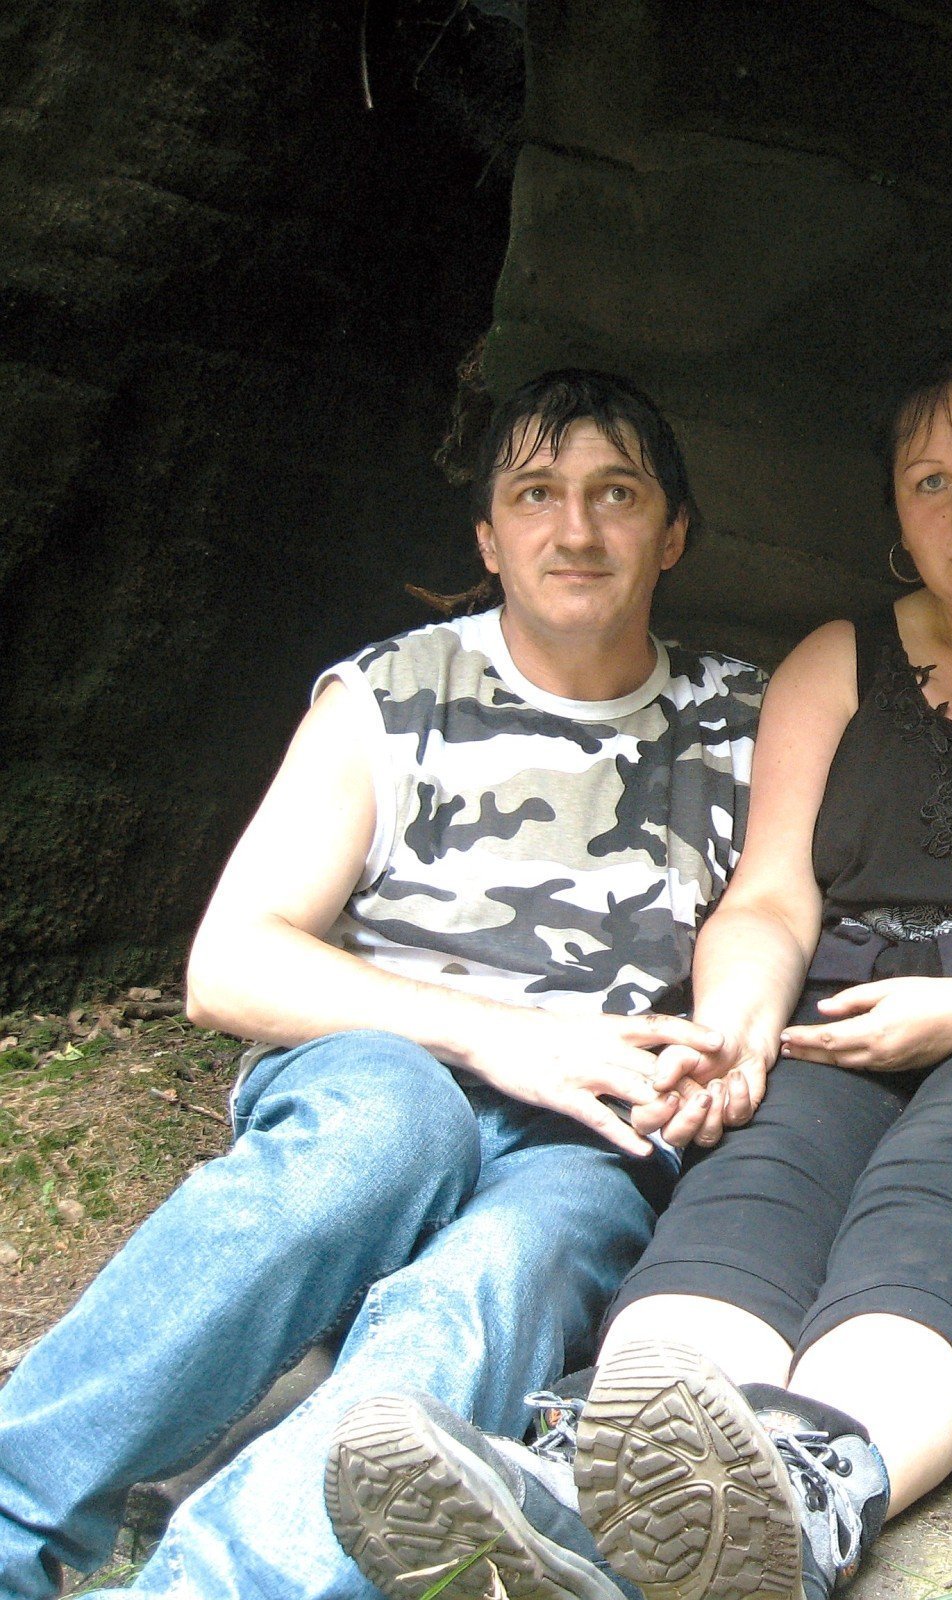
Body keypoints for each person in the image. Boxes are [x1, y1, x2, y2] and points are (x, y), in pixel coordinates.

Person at [329, 348, 952, 1600]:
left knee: (947, 1177)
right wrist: (737, 1028)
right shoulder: (842, 658)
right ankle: (599, 1476)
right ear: (893, 512)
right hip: (855, 1011)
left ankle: (810, 1491)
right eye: (930, 481)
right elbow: (770, 893)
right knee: (755, 1177)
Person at [0, 368, 765, 1600]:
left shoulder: (743, 721)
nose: (575, 530)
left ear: (672, 533)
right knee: (389, 1131)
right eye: (537, 495)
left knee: (510, 1262)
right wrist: (499, 1040)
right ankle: (13, 1510)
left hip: (597, 1124)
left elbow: (764, 919)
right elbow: (230, 960)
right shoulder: (390, 696)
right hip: (377, 1063)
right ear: (489, 538)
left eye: (615, 494)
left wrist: (729, 1040)